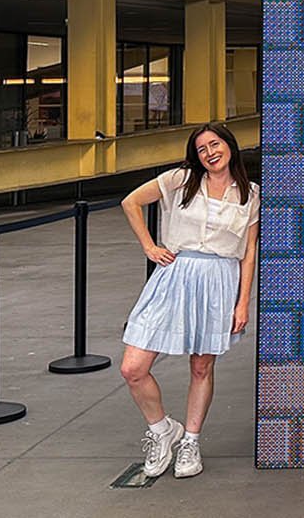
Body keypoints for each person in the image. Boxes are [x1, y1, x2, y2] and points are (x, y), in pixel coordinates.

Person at [119, 122, 259, 479]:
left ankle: (191, 441)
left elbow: (248, 254)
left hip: (218, 282)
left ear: (229, 145)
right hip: (174, 276)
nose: (210, 153)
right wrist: (149, 247)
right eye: (202, 149)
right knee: (133, 368)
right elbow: (131, 202)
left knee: (201, 367)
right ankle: (162, 429)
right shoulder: (180, 180)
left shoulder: (250, 194)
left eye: (215, 144)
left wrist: (242, 303)